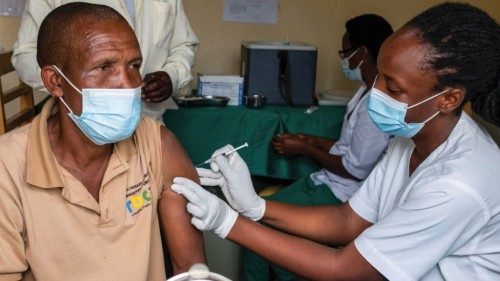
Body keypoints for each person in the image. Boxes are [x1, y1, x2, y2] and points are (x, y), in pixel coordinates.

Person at [172, 2, 500, 280]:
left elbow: (342, 268)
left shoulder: (459, 183)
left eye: (394, 88)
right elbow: (348, 221)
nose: (377, 93)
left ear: (449, 98)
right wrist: (256, 207)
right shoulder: (412, 137)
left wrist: (225, 220)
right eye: (380, 77)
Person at [0, 3, 205, 280]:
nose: (128, 83)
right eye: (104, 66)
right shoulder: (8, 166)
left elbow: (192, 270)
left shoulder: (159, 146)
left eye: (134, 65)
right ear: (55, 81)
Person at [242, 14, 392, 281]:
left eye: (345, 52)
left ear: (363, 53)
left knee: (253, 224)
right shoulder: (363, 93)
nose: (342, 59)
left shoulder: (376, 106)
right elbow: (349, 146)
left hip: (341, 194)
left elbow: (354, 169)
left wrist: (306, 149)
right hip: (324, 181)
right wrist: (308, 140)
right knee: (256, 213)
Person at [12, 0, 199, 122]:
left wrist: (172, 76)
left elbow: (184, 45)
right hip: (81, 123)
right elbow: (25, 55)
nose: (125, 84)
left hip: (148, 119)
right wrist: (71, 88)